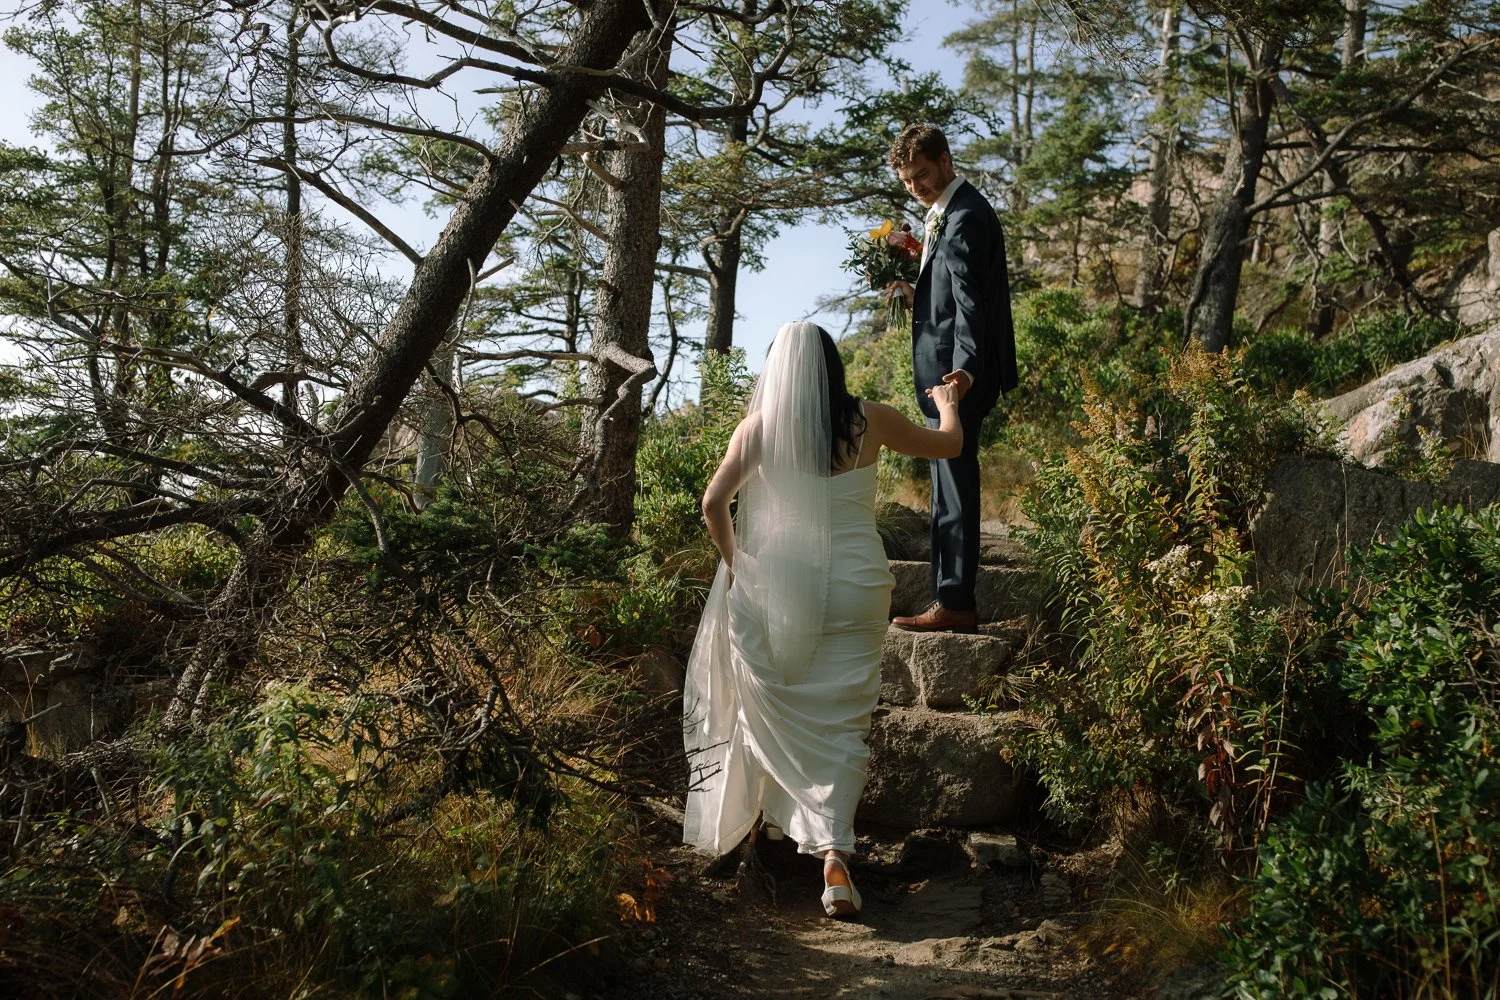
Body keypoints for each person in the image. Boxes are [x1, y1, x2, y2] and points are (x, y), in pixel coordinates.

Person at [683, 321, 963, 919]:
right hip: (859, 587)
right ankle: (833, 853)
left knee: (780, 702)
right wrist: (947, 404)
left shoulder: (758, 430)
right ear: (832, 368)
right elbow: (949, 447)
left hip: (782, 587)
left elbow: (713, 505)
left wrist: (740, 565)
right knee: (841, 719)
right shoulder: (872, 419)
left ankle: (778, 825)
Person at [885, 123, 1018, 634]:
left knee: (955, 486)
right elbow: (950, 295)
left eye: (922, 173)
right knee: (944, 487)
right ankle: (947, 593)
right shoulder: (947, 213)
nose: (916, 186)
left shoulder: (964, 217)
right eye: (907, 180)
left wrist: (961, 377)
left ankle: (955, 601)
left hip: (954, 378)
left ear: (945, 160)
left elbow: (972, 305)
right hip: (945, 374)